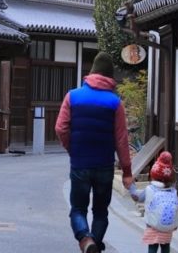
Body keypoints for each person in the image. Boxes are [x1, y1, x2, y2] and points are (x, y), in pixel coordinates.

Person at [55, 52, 133, 253]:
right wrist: (127, 172)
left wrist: (72, 148)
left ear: (91, 73)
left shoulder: (73, 96)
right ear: (110, 76)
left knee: (78, 210)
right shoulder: (115, 103)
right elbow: (122, 140)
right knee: (100, 212)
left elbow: (60, 128)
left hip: (80, 164)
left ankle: (86, 239)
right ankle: (94, 243)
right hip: (105, 165)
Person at [128, 151, 178, 253]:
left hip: (152, 226)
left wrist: (131, 186)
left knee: (152, 247)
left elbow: (137, 197)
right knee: (165, 247)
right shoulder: (173, 191)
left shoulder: (150, 189)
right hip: (167, 227)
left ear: (153, 174)